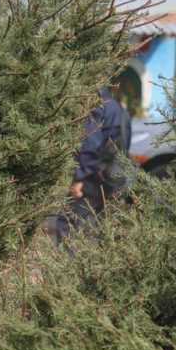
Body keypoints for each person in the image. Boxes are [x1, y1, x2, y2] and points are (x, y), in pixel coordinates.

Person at [54, 86, 131, 244]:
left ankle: (65, 258)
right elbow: (125, 144)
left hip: (94, 175)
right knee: (108, 227)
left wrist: (79, 178)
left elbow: (90, 143)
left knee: (67, 221)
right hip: (115, 175)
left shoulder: (96, 105)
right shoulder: (119, 108)